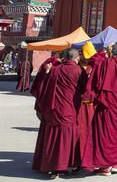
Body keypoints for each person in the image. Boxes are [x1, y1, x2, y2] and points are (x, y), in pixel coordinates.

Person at [32, 48, 83, 178]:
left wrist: (47, 72)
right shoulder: (78, 71)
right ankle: (64, 165)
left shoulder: (55, 70)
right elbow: (85, 89)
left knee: (53, 137)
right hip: (70, 109)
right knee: (67, 137)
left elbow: (42, 88)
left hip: (54, 109)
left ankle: (51, 166)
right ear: (77, 59)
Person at [86, 43, 117, 176]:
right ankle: (115, 162)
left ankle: (105, 165)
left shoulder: (105, 64)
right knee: (113, 134)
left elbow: (93, 62)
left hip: (104, 104)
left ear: (110, 52)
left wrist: (102, 54)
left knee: (103, 134)